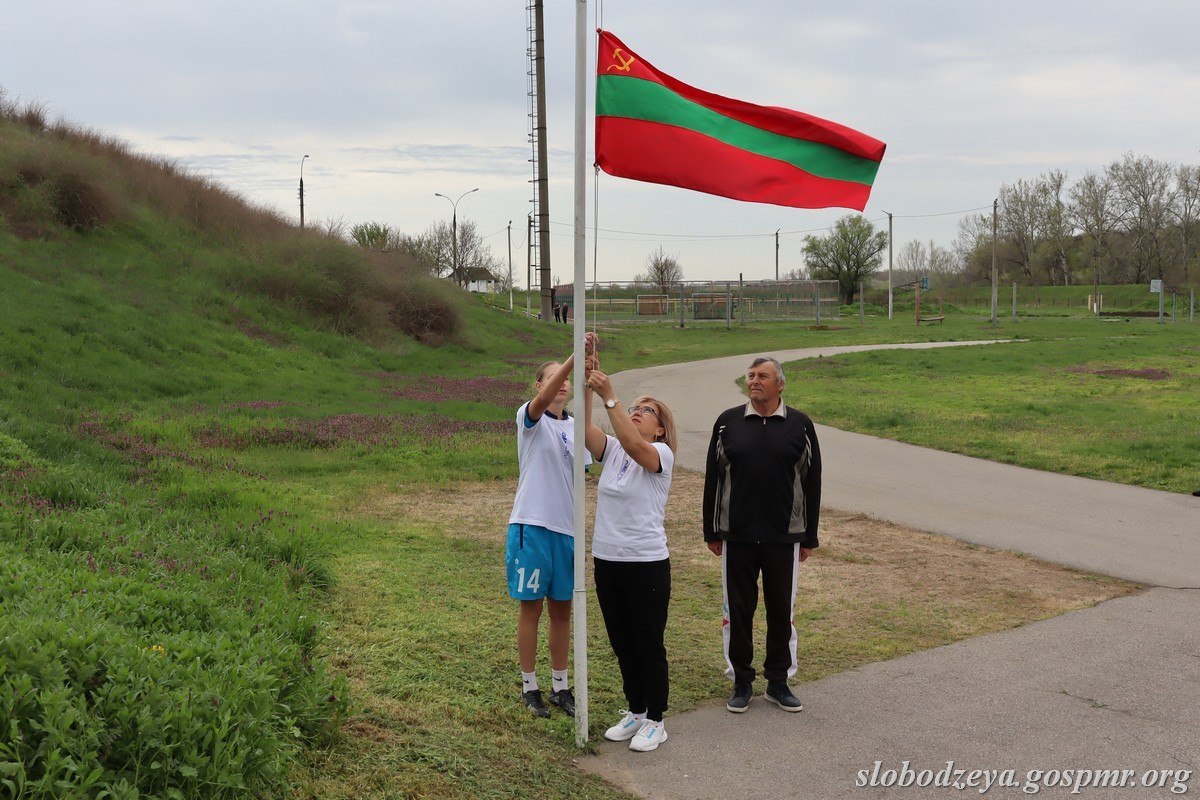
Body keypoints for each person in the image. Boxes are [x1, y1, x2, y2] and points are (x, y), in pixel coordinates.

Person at [702, 356, 822, 714]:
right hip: (736, 535)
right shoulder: (727, 423)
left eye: (763, 376)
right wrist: (711, 530)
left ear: (780, 384)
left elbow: (811, 481)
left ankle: (778, 681)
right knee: (738, 610)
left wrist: (809, 536)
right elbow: (714, 479)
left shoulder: (800, 425)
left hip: (784, 537)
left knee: (780, 610)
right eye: (751, 376)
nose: (754, 381)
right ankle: (741, 680)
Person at [584, 363, 677, 752]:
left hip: (646, 563)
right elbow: (584, 432)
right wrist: (589, 384)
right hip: (607, 558)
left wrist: (611, 396)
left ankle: (656, 718)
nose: (637, 410)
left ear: (659, 428)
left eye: (647, 410)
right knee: (621, 640)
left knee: (647, 641)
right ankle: (636, 710)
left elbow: (636, 448)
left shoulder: (659, 452)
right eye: (634, 406)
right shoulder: (614, 448)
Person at [506, 333, 597, 718]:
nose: (560, 386)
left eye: (565, 383)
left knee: (563, 610)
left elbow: (587, 455)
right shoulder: (530, 419)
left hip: (568, 530)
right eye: (552, 379)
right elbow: (542, 404)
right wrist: (574, 357)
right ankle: (531, 687)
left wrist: (589, 377)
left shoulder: (575, 428)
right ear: (540, 386)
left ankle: (561, 686)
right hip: (533, 525)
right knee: (532, 608)